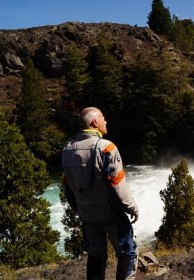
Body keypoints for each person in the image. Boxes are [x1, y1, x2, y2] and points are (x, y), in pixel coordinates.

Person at [61, 107, 139, 280]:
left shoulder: (67, 150)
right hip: (110, 214)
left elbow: (67, 188)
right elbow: (117, 186)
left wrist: (79, 209)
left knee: (96, 254)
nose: (106, 122)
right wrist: (132, 207)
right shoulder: (106, 148)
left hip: (87, 216)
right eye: (104, 118)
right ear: (95, 123)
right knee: (128, 252)